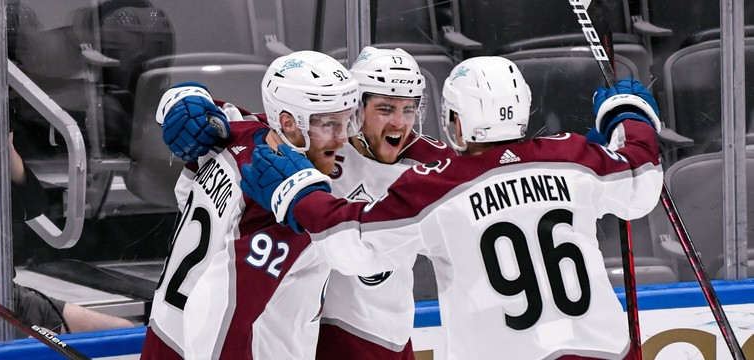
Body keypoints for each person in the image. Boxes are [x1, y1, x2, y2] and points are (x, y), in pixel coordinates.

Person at [239, 57, 664, 359]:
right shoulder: (574, 158)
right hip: (608, 352)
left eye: (409, 109)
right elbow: (643, 179)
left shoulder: (438, 185)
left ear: (455, 119)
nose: (400, 122)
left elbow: (351, 245)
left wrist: (297, 193)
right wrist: (630, 115)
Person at [141, 50, 361, 359]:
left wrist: (181, 97)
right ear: (288, 122)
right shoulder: (286, 208)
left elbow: (192, 121)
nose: (342, 139)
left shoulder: (233, 136)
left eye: (348, 122)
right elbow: (219, 310)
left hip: (164, 335)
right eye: (329, 125)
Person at [314, 46, 456, 360]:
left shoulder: (434, 164)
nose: (399, 122)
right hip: (323, 332)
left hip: (389, 336)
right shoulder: (318, 150)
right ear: (356, 108)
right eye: (385, 108)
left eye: (408, 109)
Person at [0, 99, 133, 342]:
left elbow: (30, 207)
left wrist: (2, 146)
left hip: (2, 294)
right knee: (46, 348)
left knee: (123, 332)